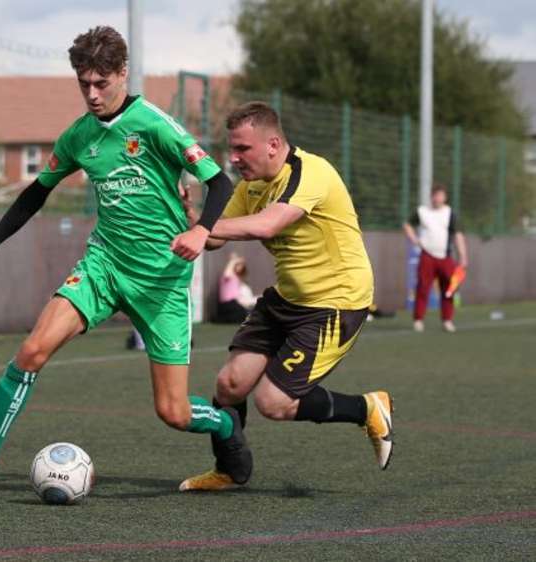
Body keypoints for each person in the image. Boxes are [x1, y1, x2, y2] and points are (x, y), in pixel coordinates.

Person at [0, 26, 252, 503]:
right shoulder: (79, 136)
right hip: (103, 267)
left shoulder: (155, 125)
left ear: (123, 73)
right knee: (31, 352)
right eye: (83, 83)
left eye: (101, 83)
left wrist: (201, 230)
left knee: (172, 411)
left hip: (162, 282)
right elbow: (36, 192)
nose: (92, 94)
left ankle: (226, 422)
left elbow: (220, 183)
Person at [176, 101, 394, 491]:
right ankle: (229, 470)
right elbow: (216, 237)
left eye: (242, 149)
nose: (234, 158)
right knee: (229, 385)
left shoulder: (312, 172)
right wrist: (194, 220)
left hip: (335, 303)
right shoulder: (250, 186)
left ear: (273, 144)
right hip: (286, 298)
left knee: (273, 403)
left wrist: (205, 227)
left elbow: (269, 223)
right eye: (232, 149)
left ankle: (366, 408)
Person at [403, 184, 468, 333]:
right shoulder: (422, 211)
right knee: (423, 288)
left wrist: (463, 256)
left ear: (445, 197)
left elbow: (458, 235)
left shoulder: (450, 213)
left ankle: (447, 320)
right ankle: (418, 320)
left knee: (449, 289)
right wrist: (414, 239)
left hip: (445, 257)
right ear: (431, 196)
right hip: (427, 256)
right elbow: (407, 225)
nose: (438, 198)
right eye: (435, 194)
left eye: (440, 195)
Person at [216, 252, 257, 324]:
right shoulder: (229, 275)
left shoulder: (237, 278)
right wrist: (234, 260)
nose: (240, 267)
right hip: (227, 304)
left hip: (234, 303)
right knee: (242, 315)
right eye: (238, 265)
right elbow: (227, 274)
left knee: (246, 314)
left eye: (241, 265)